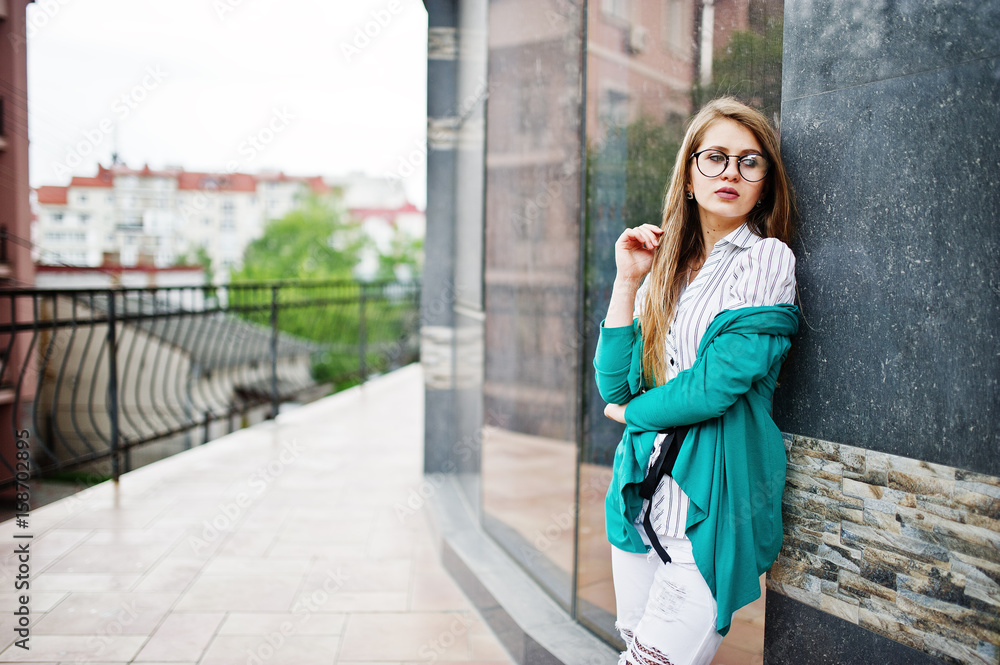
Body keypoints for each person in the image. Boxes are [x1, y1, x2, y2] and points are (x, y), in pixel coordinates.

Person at [593, 97, 799, 665]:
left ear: (765, 183)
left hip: (712, 509)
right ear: (689, 173)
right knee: (632, 654)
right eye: (715, 157)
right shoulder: (665, 269)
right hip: (639, 504)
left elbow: (716, 386)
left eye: (749, 162)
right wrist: (628, 280)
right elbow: (614, 385)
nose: (731, 172)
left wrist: (634, 414)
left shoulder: (765, 261)